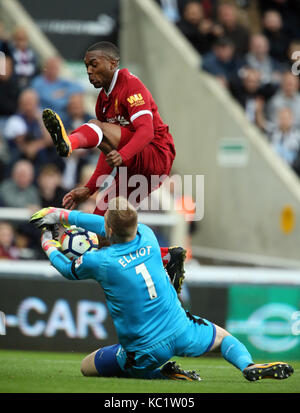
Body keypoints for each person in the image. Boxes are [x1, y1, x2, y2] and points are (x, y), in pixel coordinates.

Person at [29, 197, 294, 381]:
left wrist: (49, 243)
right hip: (180, 328)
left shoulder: (101, 261)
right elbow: (110, 226)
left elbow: (67, 269)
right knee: (224, 338)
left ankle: (163, 373)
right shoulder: (148, 234)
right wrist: (65, 215)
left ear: (108, 229)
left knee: (88, 367)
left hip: (144, 350)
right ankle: (248, 365)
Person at [41, 41, 186, 293]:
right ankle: (167, 257)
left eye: (93, 64)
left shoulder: (130, 85)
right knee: (103, 231)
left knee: (95, 126)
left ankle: (69, 141)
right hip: (135, 167)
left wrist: (124, 153)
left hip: (155, 153)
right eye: (86, 66)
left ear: (112, 63)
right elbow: (106, 150)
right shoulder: (102, 102)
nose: (88, 71)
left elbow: (146, 131)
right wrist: (88, 189)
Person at [31, 56, 83, 123]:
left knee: (76, 98)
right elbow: (50, 99)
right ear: (45, 68)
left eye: (55, 68)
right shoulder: (38, 82)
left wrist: (64, 92)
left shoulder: (62, 82)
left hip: (64, 117)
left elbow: (79, 88)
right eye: (51, 67)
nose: (53, 70)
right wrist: (64, 101)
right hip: (45, 117)